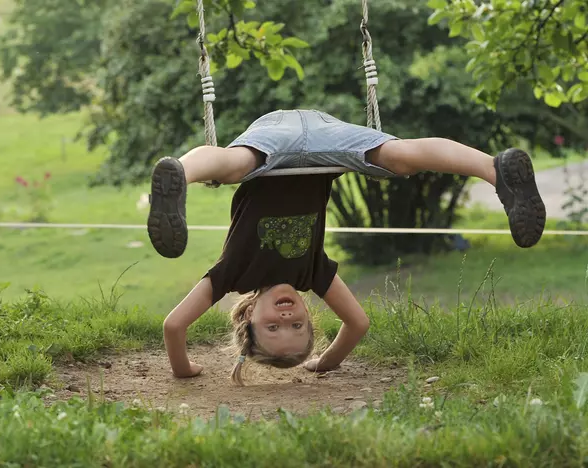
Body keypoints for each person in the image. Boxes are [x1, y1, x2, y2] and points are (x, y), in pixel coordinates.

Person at [147, 109, 546, 385]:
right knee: (401, 158)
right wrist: (325, 363)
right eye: (298, 326)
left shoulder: (231, 275)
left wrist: (184, 370)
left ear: (247, 315)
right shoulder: (314, 274)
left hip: (271, 146)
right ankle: (496, 172)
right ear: (308, 314)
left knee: (233, 167)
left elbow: (174, 326)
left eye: (272, 326)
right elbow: (358, 324)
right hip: (326, 140)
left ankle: (182, 173)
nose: (287, 317)